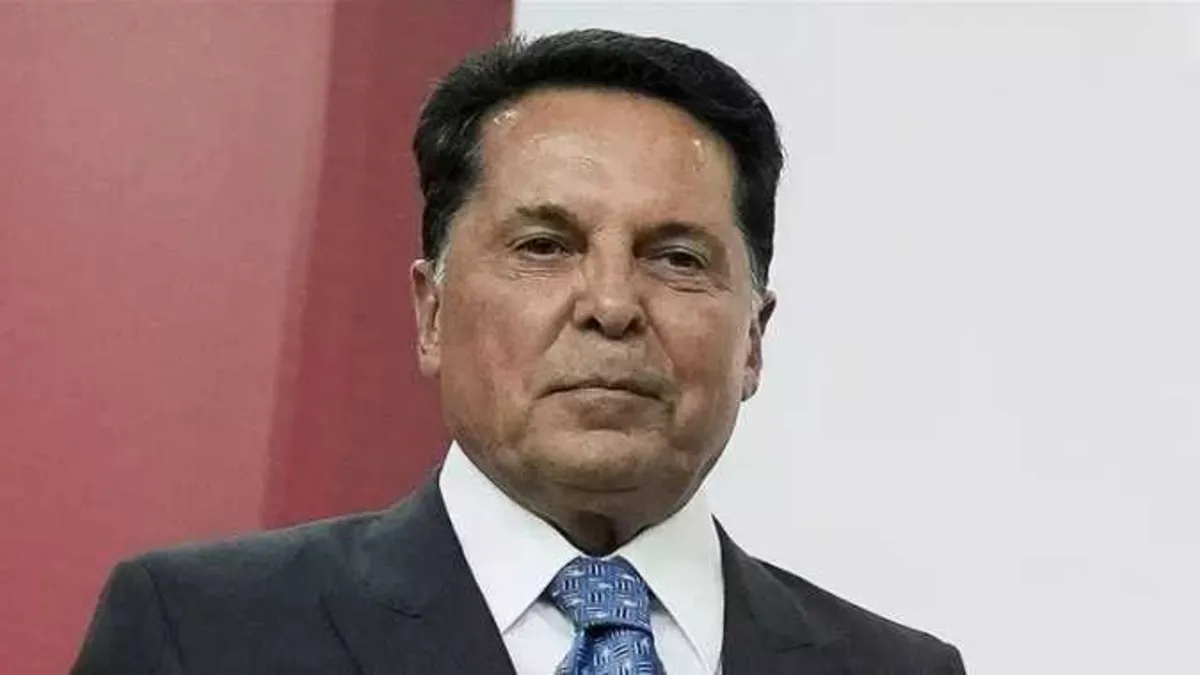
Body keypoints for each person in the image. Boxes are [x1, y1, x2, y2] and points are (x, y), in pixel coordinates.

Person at [72, 29, 966, 674]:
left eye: (676, 258)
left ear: (754, 341)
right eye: (544, 246)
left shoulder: (896, 667)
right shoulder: (204, 634)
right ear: (431, 311)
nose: (611, 305)